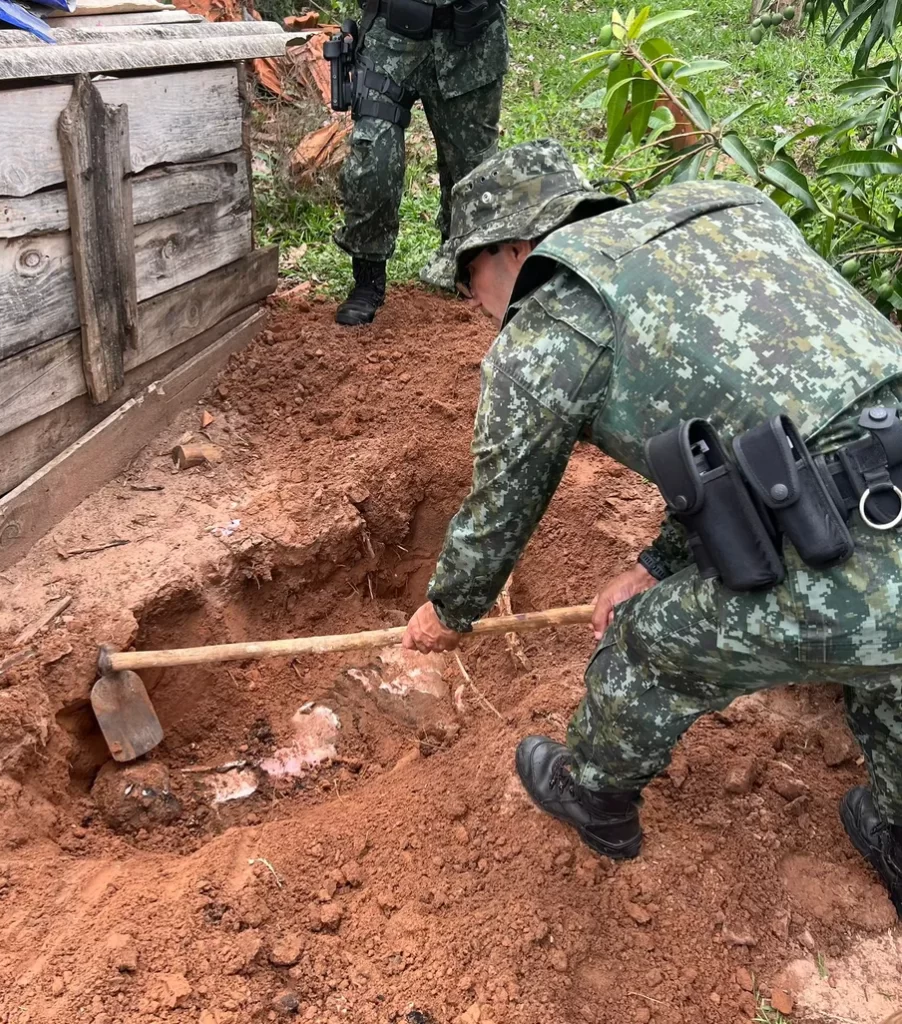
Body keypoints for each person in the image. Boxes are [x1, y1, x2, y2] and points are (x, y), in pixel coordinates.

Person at [402, 138, 902, 917]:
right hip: (876, 477)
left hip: (862, 551)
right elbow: (759, 437)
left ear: (514, 247)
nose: (479, 308)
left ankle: (593, 795)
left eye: (472, 283)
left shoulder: (552, 322)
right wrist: (659, 561)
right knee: (894, 669)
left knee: (647, 643)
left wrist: (448, 609)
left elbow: (501, 503)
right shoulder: (722, 208)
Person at [329, 0, 507, 326]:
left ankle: (467, 269)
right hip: (392, 37)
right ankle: (367, 279)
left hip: (470, 40)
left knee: (474, 175)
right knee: (374, 158)